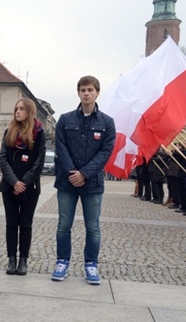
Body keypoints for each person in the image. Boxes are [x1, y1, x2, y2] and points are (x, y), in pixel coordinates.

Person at [52, 76, 116, 285]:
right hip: (67, 182)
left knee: (93, 227)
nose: (86, 93)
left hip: (93, 183)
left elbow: (105, 152)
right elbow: (60, 149)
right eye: (82, 90)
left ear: (97, 92)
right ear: (78, 93)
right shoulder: (65, 119)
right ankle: (62, 261)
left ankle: (91, 265)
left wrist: (84, 174)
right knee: (64, 225)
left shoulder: (107, 122)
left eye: (90, 90)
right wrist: (73, 173)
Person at [0, 98, 46, 275]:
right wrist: (14, 182)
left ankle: (23, 260)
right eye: (16, 109)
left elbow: (39, 162)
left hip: (30, 188)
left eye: (21, 109)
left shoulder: (39, 133)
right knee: (11, 224)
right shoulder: (8, 131)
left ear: (30, 111)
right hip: (9, 187)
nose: (18, 112)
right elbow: (2, 158)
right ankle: (11, 259)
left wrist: (23, 182)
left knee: (25, 224)